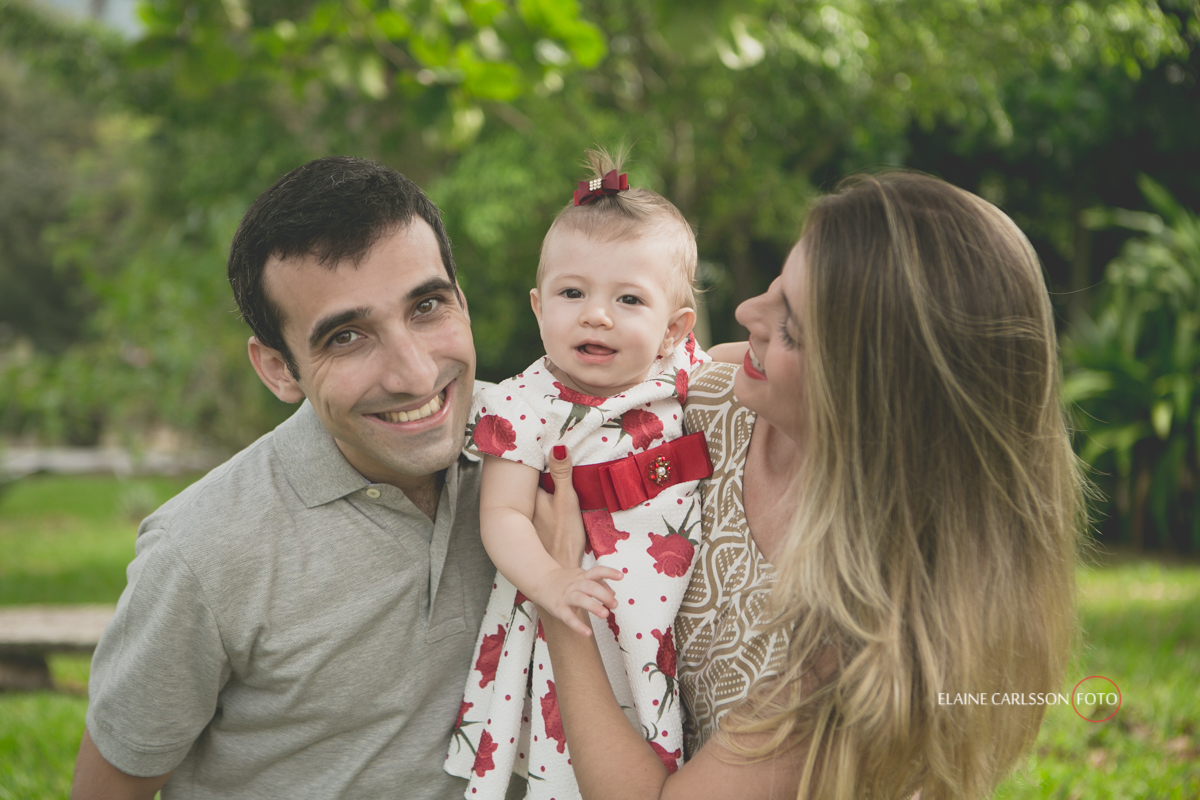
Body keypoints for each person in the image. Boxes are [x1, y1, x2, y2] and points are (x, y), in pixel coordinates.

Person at [533, 172, 1083, 799]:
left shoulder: (867, 637)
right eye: (776, 286)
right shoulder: (716, 403)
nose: (746, 314)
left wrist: (559, 592)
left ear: (877, 396)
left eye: (791, 329)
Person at [70, 157, 496, 800]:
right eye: (347, 336)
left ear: (461, 302)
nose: (414, 374)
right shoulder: (202, 552)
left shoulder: (546, 447)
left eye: (427, 306)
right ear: (278, 368)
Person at [445, 149, 711, 799]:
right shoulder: (526, 404)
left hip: (676, 607)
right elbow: (504, 514)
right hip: (579, 598)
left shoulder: (680, 374)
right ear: (539, 308)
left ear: (674, 329)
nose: (596, 314)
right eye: (573, 293)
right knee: (583, 743)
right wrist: (551, 582)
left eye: (629, 299)